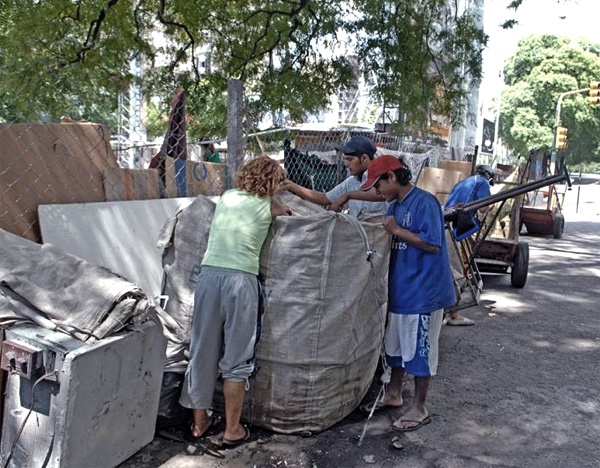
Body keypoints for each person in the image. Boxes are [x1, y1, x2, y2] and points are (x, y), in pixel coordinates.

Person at [179, 156, 291, 448]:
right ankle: (232, 430)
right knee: (237, 359)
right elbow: (289, 215)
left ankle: (200, 422)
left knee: (202, 350)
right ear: (273, 181)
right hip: (241, 281)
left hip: (208, 277)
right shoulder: (270, 205)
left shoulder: (227, 196)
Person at [359, 155, 456, 432]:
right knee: (397, 348)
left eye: (378, 185)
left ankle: (420, 407)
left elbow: (432, 244)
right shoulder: (395, 204)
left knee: (420, 351)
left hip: (423, 291)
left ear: (391, 177)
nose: (376, 192)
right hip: (403, 290)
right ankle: (394, 393)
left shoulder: (424, 202)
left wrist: (396, 230)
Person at [281, 135, 387, 217]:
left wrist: (348, 195)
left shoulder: (383, 177)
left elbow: (382, 194)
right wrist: (292, 185)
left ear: (364, 158)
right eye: (345, 159)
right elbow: (324, 198)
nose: (346, 164)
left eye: (350, 159)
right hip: (357, 236)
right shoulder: (351, 181)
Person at [443, 164, 495, 326]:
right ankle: (453, 314)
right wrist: (491, 205)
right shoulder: (483, 183)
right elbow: (484, 208)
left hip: (447, 221)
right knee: (456, 270)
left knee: (453, 267)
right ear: (489, 177)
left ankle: (450, 310)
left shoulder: (464, 182)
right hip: (452, 225)